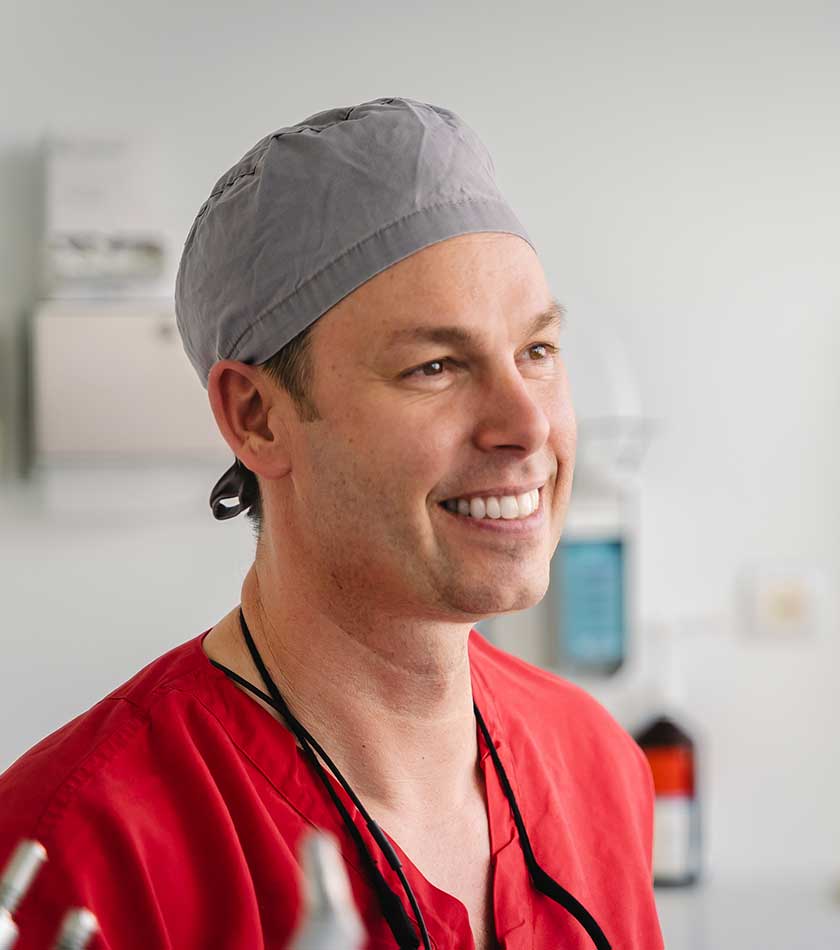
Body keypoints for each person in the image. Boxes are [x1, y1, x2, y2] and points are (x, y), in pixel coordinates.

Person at [0, 97, 664, 949]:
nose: (527, 425)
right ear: (257, 418)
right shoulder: (73, 854)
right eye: (435, 366)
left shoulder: (595, 764)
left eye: (537, 351)